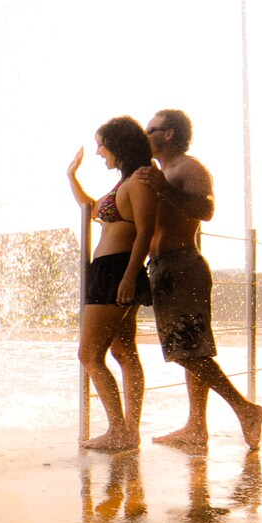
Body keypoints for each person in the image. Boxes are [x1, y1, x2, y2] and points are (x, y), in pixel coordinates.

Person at [131, 108, 262, 449]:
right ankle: (196, 427)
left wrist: (164, 189)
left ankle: (245, 409)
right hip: (163, 266)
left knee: (186, 351)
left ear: (169, 134)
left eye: (151, 129)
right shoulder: (160, 171)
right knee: (192, 349)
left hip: (182, 266)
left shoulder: (188, 168)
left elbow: (206, 210)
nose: (145, 135)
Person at [66, 117, 158, 451]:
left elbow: (145, 233)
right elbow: (90, 209)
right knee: (123, 350)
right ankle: (128, 431)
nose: (97, 151)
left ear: (117, 144)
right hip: (109, 269)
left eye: (101, 144)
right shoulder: (124, 185)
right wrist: (70, 176)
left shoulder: (138, 181)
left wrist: (130, 277)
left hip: (116, 271)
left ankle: (120, 430)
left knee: (89, 354)